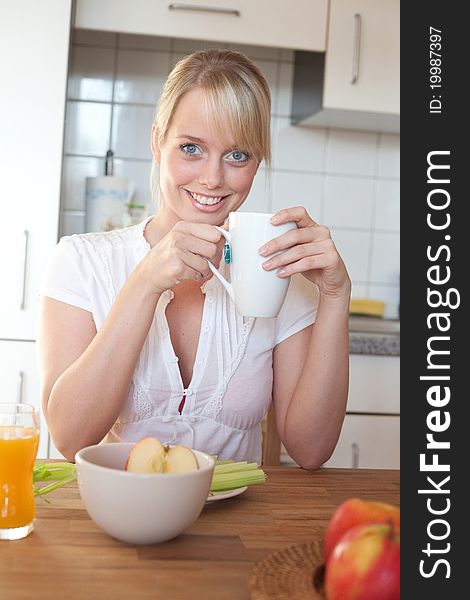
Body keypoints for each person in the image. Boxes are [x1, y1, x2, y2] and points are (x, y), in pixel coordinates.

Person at [37, 49, 351, 469]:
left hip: (239, 528)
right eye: (191, 148)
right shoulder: (81, 261)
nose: (212, 179)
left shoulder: (276, 277)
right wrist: (146, 281)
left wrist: (335, 295)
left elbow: (311, 452)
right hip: (121, 518)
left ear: (257, 163)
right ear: (157, 142)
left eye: (237, 155)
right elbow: (70, 438)